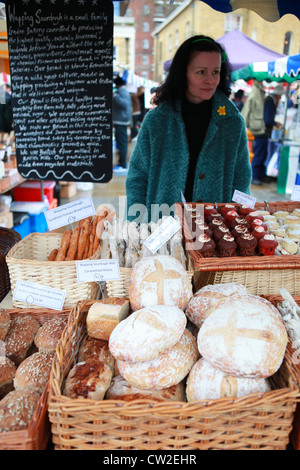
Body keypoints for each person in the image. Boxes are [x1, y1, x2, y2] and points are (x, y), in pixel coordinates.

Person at [125, 34, 252, 222]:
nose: (210, 80)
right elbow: (137, 178)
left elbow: (241, 181)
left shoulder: (232, 122)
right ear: (183, 72)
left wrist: (240, 224)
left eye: (215, 72)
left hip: (214, 232)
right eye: (201, 72)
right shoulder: (157, 121)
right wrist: (136, 226)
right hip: (161, 230)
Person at [242, 81, 284, 185]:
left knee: (263, 153)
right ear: (278, 96)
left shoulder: (267, 100)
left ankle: (260, 175)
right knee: (260, 154)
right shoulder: (270, 102)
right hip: (261, 132)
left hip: (262, 131)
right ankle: (256, 176)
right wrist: (274, 123)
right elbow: (268, 119)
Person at [113, 76, 132, 170]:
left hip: (121, 121)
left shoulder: (122, 92)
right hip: (121, 121)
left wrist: (115, 96)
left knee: (122, 143)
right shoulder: (124, 92)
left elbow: (124, 104)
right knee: (121, 143)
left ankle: (123, 163)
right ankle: (122, 162)